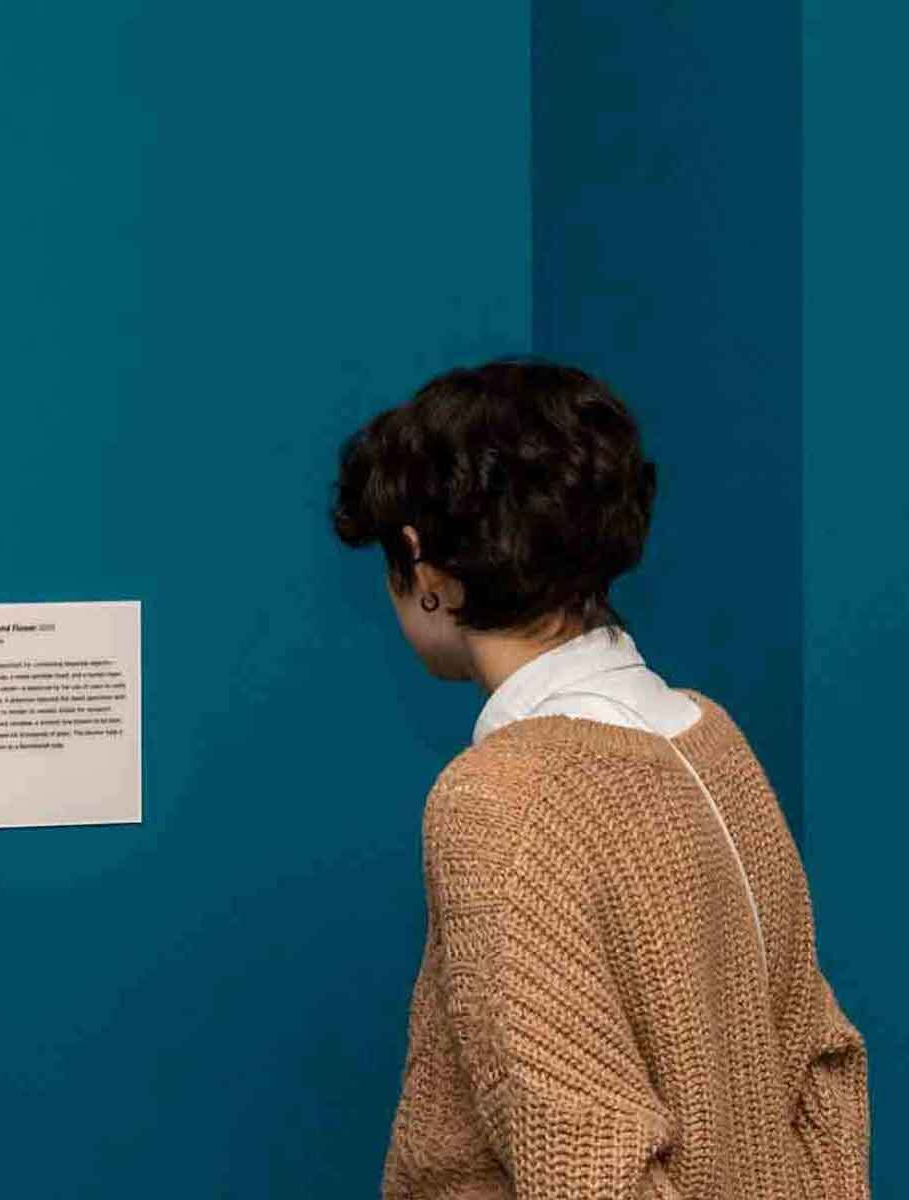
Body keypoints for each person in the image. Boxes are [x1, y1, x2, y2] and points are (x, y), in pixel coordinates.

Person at [333, 361, 869, 1197]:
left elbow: (585, 1160)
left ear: (421, 562)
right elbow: (823, 1067)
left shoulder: (495, 799)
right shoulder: (709, 733)